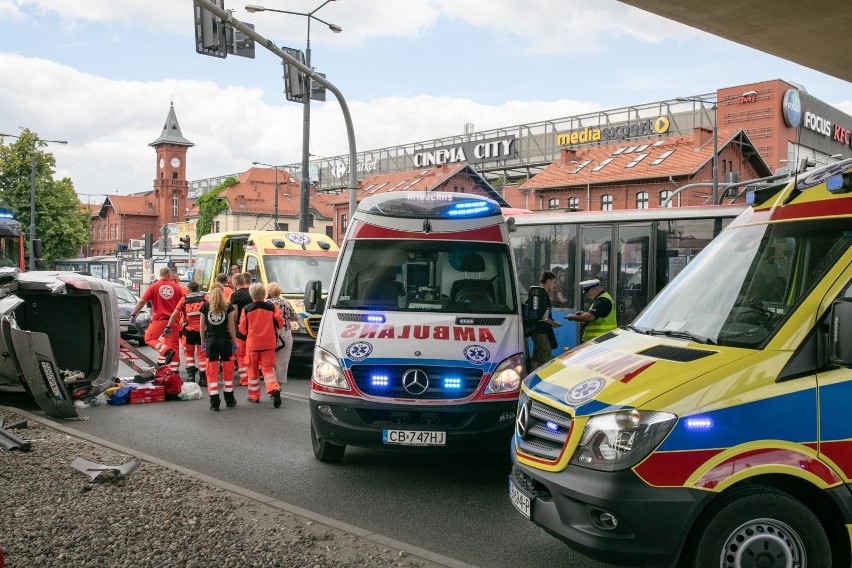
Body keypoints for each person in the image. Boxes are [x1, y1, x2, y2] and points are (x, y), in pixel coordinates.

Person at [238, 283, 284, 407]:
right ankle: (274, 388)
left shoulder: (247, 309)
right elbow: (280, 323)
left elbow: (242, 329)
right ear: (264, 294)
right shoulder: (272, 307)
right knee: (268, 369)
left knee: (252, 370)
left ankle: (254, 396)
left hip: (253, 344)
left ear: (251, 295)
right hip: (269, 343)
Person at [130, 267, 183, 371]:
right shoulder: (177, 288)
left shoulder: (154, 286)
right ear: (169, 275)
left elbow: (142, 301)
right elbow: (183, 304)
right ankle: (174, 371)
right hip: (173, 321)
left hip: (159, 319)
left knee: (149, 338)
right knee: (174, 346)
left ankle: (165, 350)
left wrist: (134, 314)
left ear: (160, 274)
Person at [199, 284, 237, 411]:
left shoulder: (205, 306)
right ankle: (229, 400)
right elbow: (231, 327)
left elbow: (201, 327)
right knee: (228, 371)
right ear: (222, 292)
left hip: (211, 341)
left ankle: (214, 402)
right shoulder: (227, 307)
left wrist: (202, 341)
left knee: (212, 372)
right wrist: (234, 341)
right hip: (225, 341)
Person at [165, 281, 207, 385]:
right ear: (198, 289)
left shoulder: (184, 299)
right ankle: (203, 378)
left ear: (188, 289)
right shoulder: (205, 297)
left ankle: (191, 377)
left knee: (189, 354)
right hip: (203, 331)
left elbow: (174, 314)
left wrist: (168, 326)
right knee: (202, 355)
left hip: (188, 332)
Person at [266, 282, 300, 386]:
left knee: (269, 361)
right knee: (283, 362)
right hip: (285, 334)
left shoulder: (266, 303)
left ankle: (271, 385)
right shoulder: (286, 302)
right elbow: (295, 317)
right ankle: (278, 385)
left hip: (270, 334)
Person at [530, 271, 561, 369]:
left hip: (538, 331)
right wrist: (553, 323)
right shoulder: (541, 294)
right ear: (548, 281)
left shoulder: (541, 293)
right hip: (541, 331)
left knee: (537, 358)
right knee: (545, 357)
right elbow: (542, 316)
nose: (555, 285)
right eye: (554, 282)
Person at [229, 272, 253, 386]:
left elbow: (234, 313)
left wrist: (233, 327)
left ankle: (244, 379)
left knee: (241, 354)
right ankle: (253, 375)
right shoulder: (251, 293)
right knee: (251, 352)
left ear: (235, 283)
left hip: (240, 328)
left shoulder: (234, 295)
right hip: (252, 328)